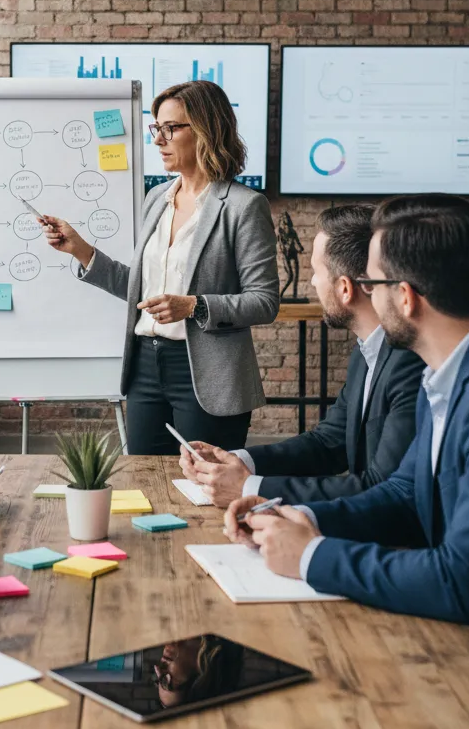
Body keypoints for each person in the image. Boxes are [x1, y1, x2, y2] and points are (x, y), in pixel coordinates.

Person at [225, 194, 469, 729]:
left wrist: (310, 557)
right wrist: (297, 517)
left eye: (372, 283)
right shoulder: (455, 366)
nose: (365, 295)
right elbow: (404, 492)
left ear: (406, 296)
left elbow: (463, 579)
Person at [42, 79, 279, 454]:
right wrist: (82, 251)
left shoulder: (243, 206)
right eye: (157, 128)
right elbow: (143, 291)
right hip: (145, 368)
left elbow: (264, 301)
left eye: (170, 128)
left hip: (206, 373)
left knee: (202, 488)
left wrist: (194, 305)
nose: (158, 140)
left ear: (205, 130)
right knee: (144, 480)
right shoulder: (157, 199)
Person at [179, 204, 423, 507]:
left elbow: (383, 487)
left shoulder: (410, 362)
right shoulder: (366, 352)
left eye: (316, 271)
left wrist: (249, 488)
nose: (312, 282)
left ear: (345, 288)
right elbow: (328, 443)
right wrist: (236, 461)